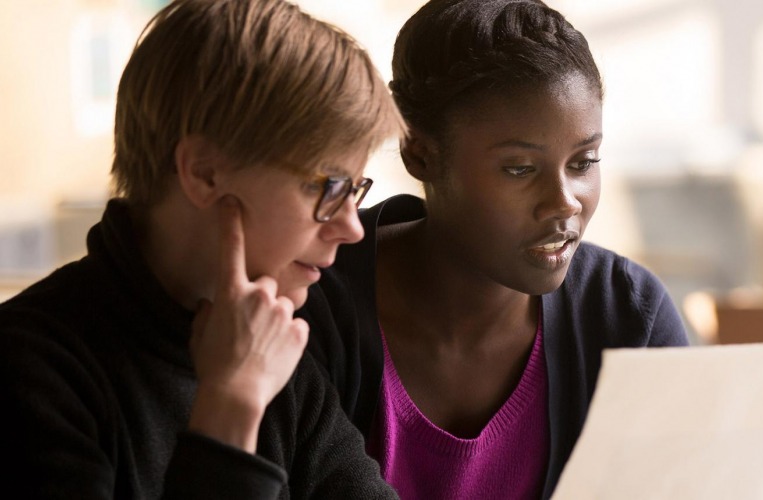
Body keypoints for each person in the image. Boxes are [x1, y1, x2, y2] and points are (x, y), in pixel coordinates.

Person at [0, 0, 404, 497]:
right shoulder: (29, 372)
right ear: (204, 173)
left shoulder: (273, 347)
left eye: (354, 190)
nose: (352, 227)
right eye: (329, 187)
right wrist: (230, 407)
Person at [300, 1, 690, 498]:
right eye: (519, 169)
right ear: (419, 153)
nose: (564, 202)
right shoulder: (306, 308)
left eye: (583, 162)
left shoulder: (628, 318)